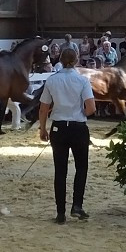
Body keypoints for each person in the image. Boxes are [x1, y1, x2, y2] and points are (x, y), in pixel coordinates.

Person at [38, 48, 96, 225]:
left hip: (59, 128)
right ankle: (77, 205)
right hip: (78, 127)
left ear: (60, 60)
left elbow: (43, 108)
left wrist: (42, 129)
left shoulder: (52, 80)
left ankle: (60, 212)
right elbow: (91, 108)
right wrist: (81, 113)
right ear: (77, 59)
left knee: (60, 171)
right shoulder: (82, 80)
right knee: (81, 168)